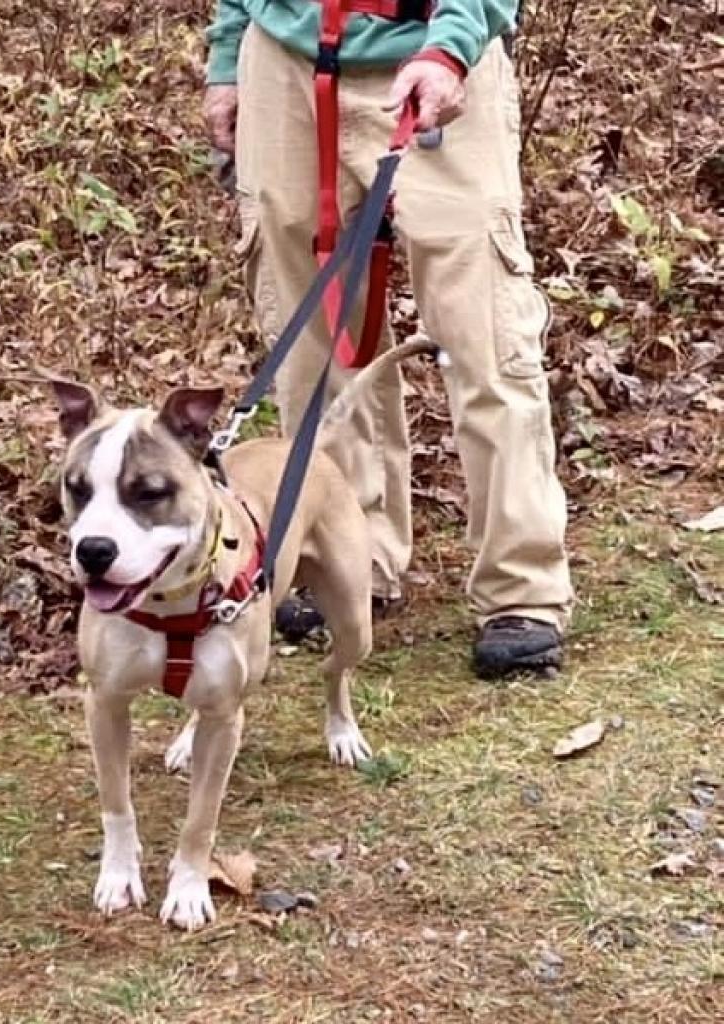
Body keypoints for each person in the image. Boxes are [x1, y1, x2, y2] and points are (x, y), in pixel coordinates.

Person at [202, 0, 573, 677]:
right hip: (286, 58)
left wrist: (453, 46)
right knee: (310, 345)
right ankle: (348, 558)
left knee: (486, 334)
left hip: (434, 48)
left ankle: (522, 590)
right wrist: (227, 60)